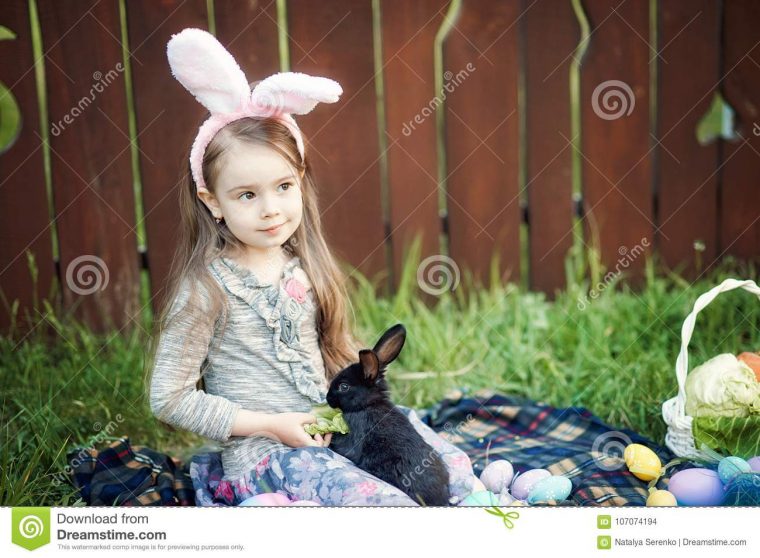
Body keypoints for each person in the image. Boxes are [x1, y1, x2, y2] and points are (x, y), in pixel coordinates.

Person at [146, 28, 477, 506]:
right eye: (246, 194)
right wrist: (271, 425)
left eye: (283, 186)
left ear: (300, 179)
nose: (271, 209)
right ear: (212, 202)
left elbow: (339, 362)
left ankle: (487, 510)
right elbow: (169, 399)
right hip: (266, 456)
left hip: (334, 434)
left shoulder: (303, 269)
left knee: (449, 465)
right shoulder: (206, 291)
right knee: (378, 502)